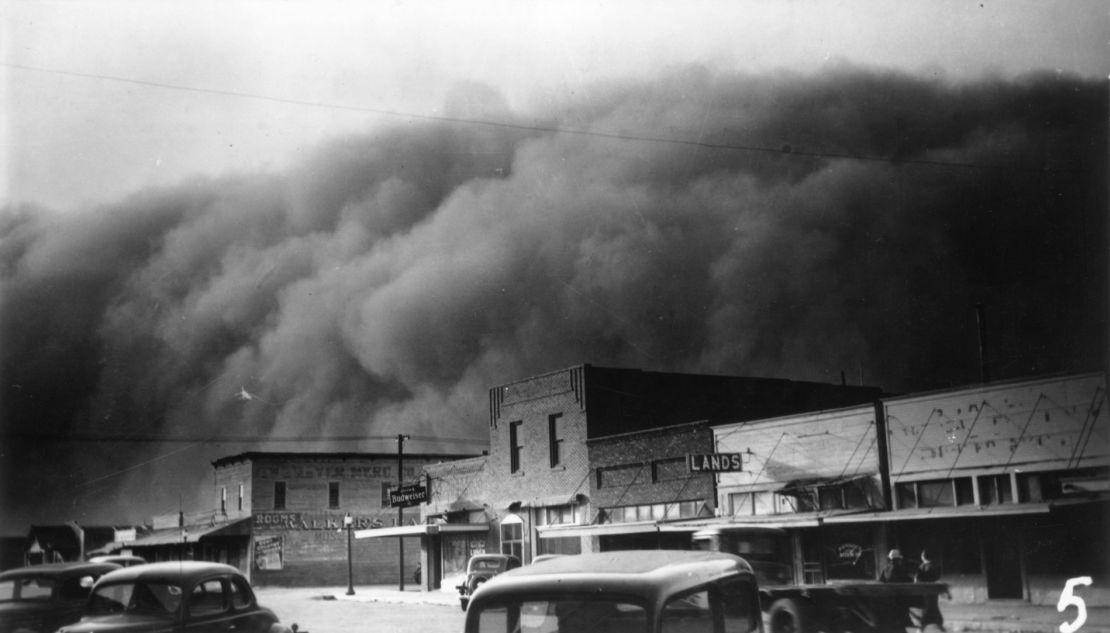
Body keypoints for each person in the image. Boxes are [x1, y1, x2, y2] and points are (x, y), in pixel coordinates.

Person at [914, 549, 946, 633]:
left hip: (924, 591)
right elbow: (938, 578)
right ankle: (940, 627)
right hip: (933, 591)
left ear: (923, 557)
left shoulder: (921, 567)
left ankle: (921, 629)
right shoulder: (935, 566)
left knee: (926, 609)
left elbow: (917, 579)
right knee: (934, 607)